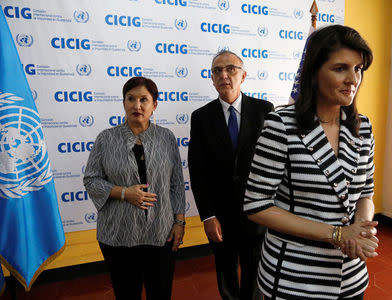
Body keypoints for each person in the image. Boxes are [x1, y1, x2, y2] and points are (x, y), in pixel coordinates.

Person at [243, 25, 379, 300]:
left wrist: (359, 232)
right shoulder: (280, 125)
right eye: (340, 68)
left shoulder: (362, 127)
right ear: (314, 73)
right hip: (294, 278)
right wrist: (338, 234)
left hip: (350, 277)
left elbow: (366, 193)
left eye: (358, 69)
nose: (353, 79)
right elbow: (257, 206)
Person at [83, 76, 186, 300]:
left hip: (161, 234)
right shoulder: (106, 139)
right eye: (130, 99)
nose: (136, 106)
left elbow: (177, 183)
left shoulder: (166, 138)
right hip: (118, 236)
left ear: (154, 105)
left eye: (143, 100)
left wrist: (179, 221)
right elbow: (91, 180)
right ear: (123, 102)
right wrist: (123, 192)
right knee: (126, 294)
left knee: (160, 293)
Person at [188, 50, 274, 300]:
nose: (224, 75)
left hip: (257, 210)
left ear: (243, 75)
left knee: (255, 270)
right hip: (220, 214)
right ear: (212, 78)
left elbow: (274, 163)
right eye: (217, 70)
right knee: (225, 270)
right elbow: (198, 170)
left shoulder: (265, 110)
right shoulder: (201, 117)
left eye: (231, 69)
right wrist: (208, 215)